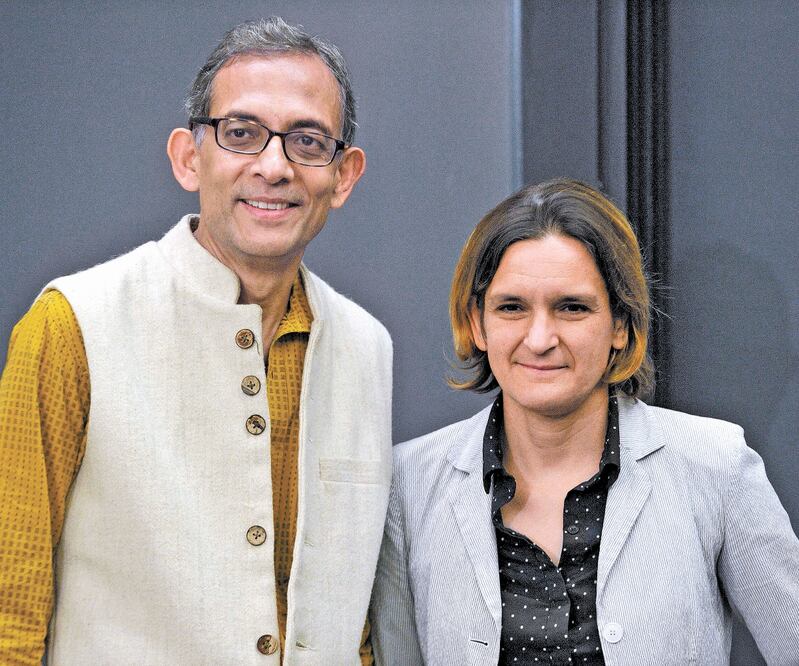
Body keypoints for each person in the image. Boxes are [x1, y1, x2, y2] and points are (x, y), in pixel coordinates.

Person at [0, 17, 392, 665]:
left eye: (307, 141)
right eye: (241, 133)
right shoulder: (73, 324)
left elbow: (353, 625)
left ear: (343, 176)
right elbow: (8, 609)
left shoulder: (367, 348)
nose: (274, 167)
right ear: (189, 158)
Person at [369, 178, 799, 665]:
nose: (539, 339)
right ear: (477, 324)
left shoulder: (715, 467)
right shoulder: (409, 484)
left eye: (571, 308)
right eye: (512, 308)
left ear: (620, 324)